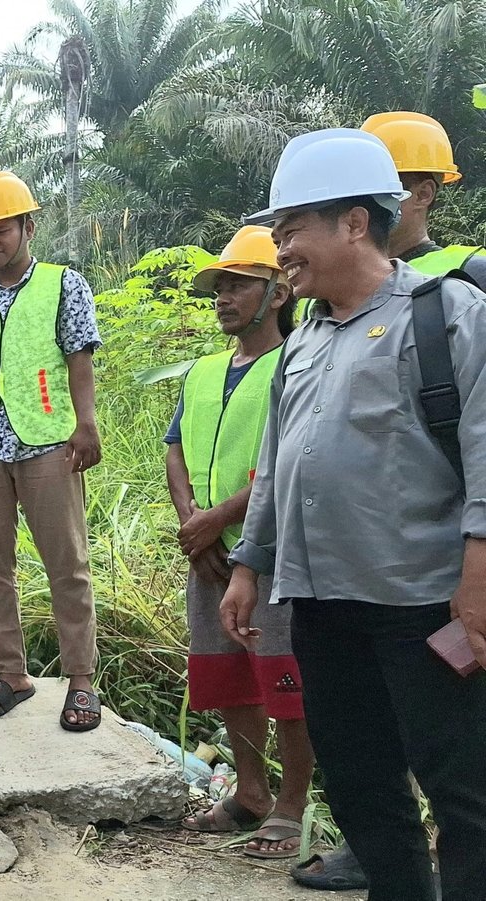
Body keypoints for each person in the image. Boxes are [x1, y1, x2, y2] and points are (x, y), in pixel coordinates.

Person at [224, 127, 486, 901]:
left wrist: (478, 574)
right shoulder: (302, 341)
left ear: (354, 222)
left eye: (292, 229)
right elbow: (276, 463)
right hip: (324, 607)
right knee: (360, 784)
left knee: (464, 791)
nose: (281, 249)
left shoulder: (449, 314)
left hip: (423, 605)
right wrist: (249, 564)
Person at [0, 170, 103, 732]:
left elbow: (79, 358)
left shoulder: (63, 284)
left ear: (28, 227)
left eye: (2, 230)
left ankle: (81, 680)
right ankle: (11, 674)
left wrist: (86, 424)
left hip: (48, 438)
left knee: (66, 565)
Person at [167, 226, 314, 860]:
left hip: (275, 551)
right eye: (219, 288)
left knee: (284, 679)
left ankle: (292, 805)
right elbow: (175, 448)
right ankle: (250, 793)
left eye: (238, 286)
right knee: (226, 675)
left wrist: (216, 520)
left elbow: (289, 460)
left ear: (278, 293)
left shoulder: (297, 362)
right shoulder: (204, 371)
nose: (223, 298)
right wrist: (193, 523)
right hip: (209, 555)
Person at [361, 111, 486, 283]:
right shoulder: (335, 280)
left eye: (378, 189)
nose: (359, 202)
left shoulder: (471, 272)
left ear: (423, 194)